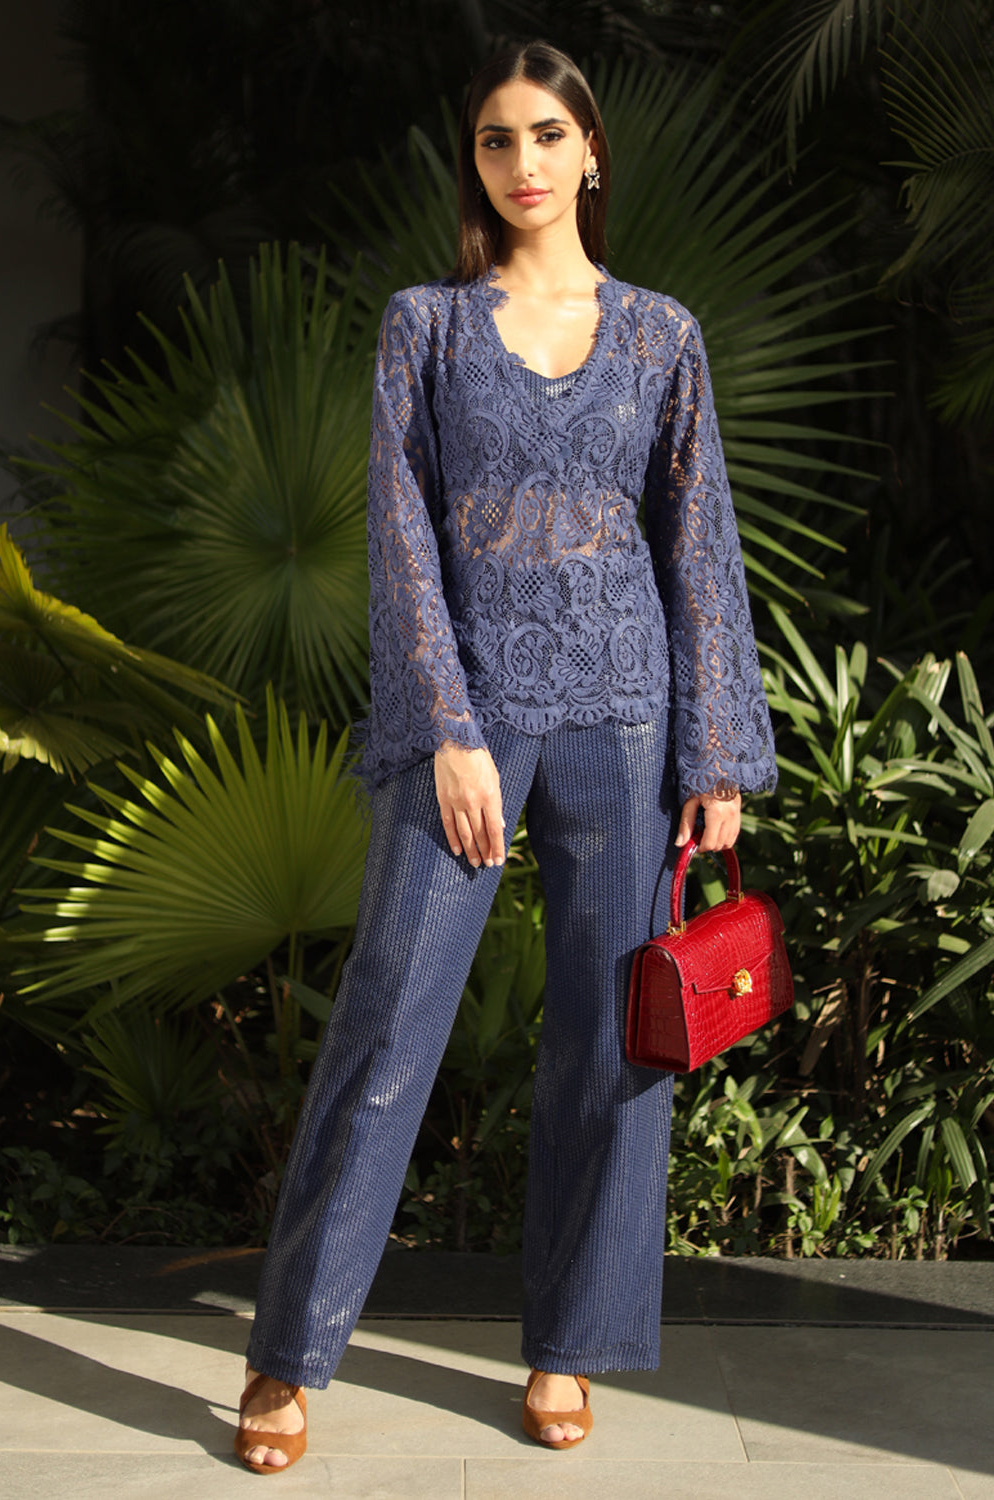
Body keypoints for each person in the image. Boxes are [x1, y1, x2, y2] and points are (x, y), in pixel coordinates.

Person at [234, 40, 776, 1473]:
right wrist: (449, 729)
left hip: (628, 722)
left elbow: (698, 543)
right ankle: (288, 1352)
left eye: (546, 135)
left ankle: (567, 1347)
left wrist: (717, 751)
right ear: (472, 163)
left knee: (613, 1047)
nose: (522, 163)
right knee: (384, 1033)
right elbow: (402, 532)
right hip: (465, 728)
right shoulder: (425, 326)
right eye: (494, 140)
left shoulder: (661, 335)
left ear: (590, 152)